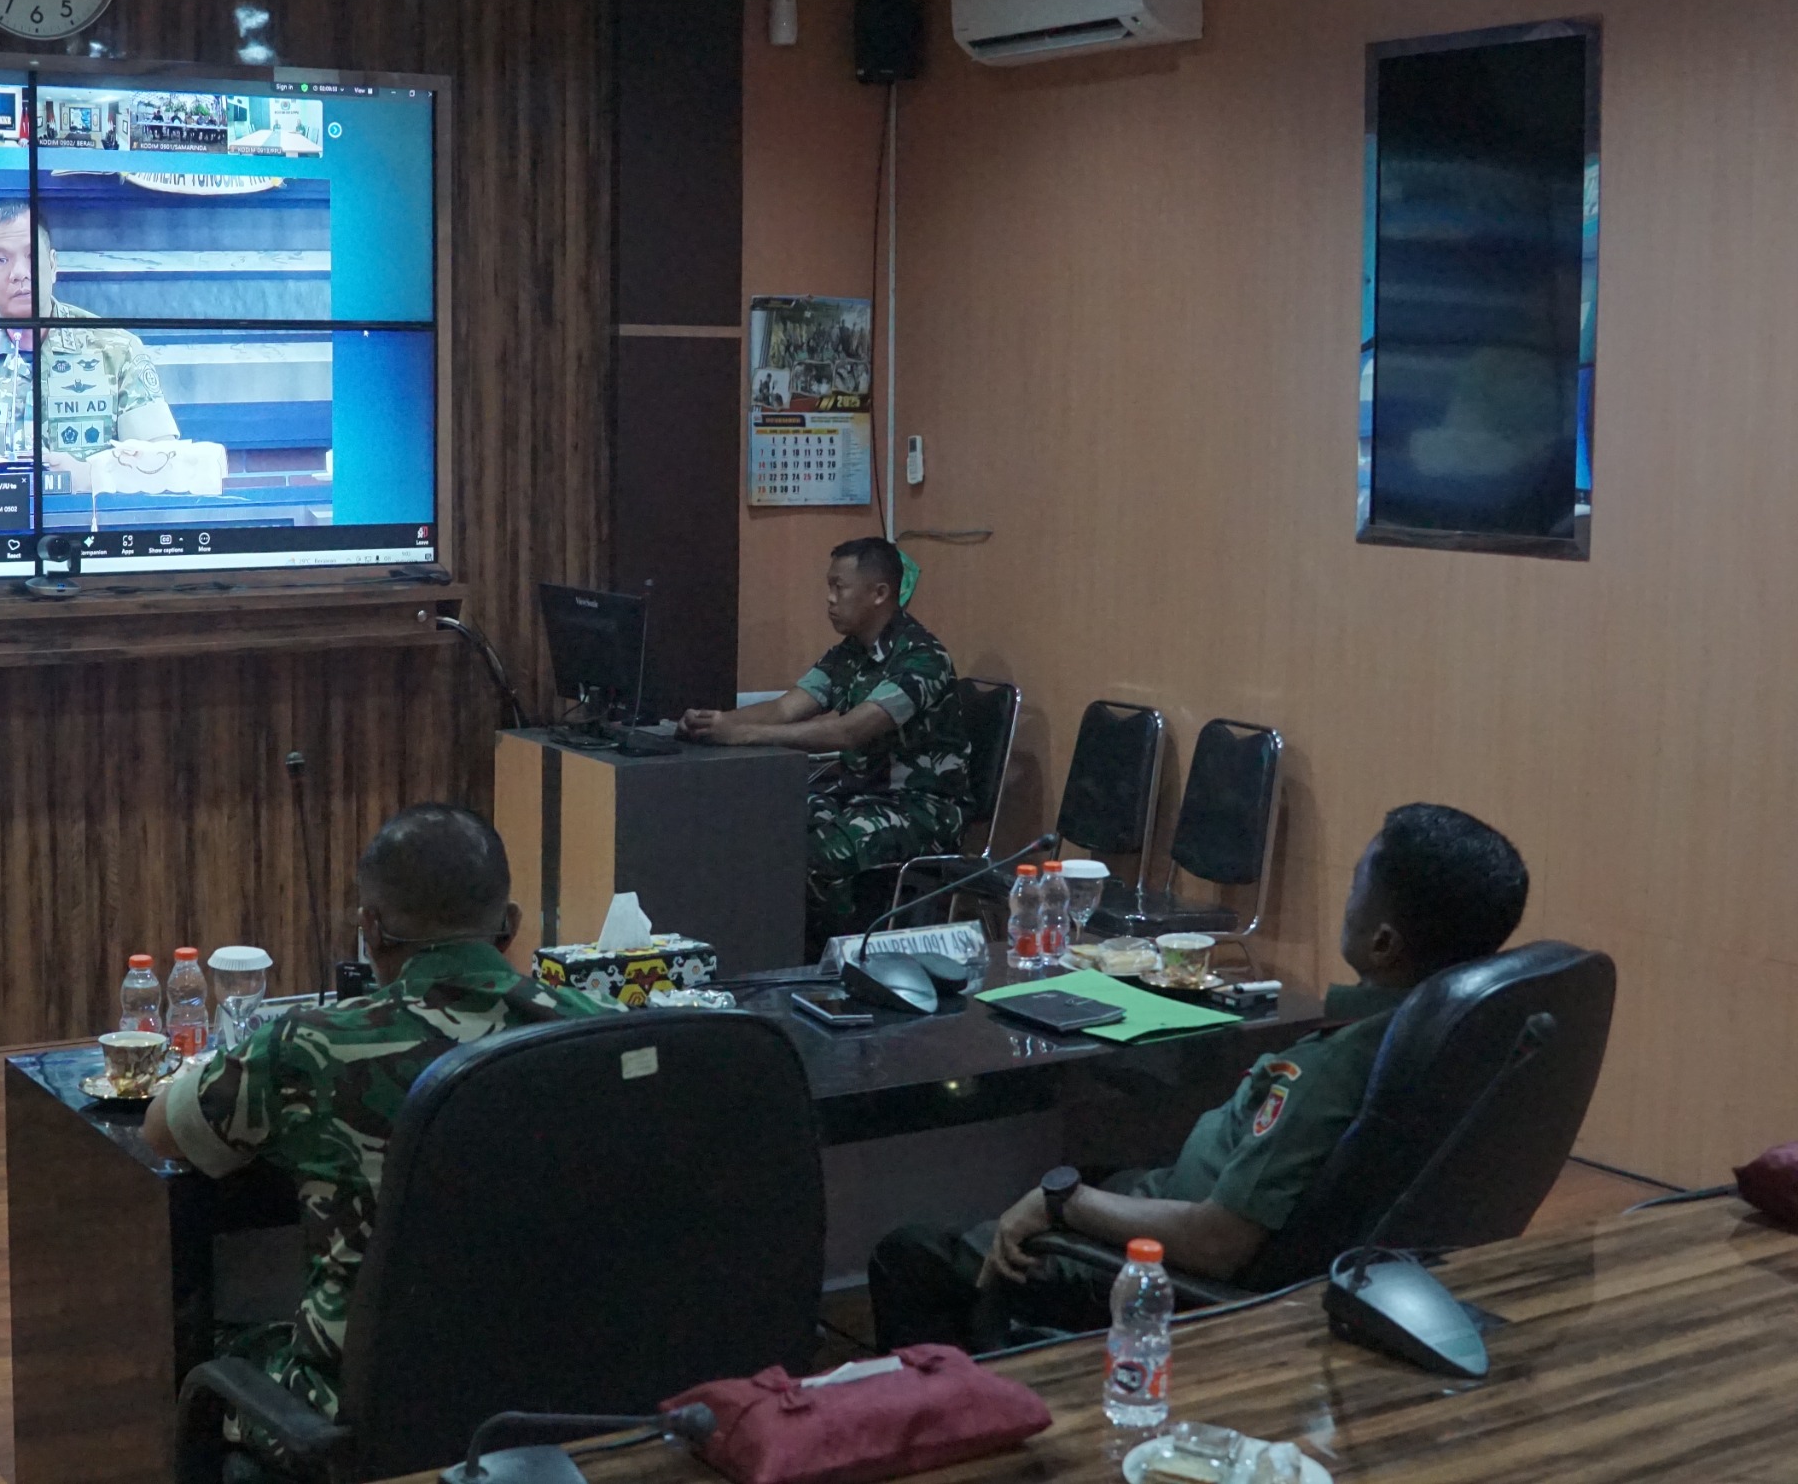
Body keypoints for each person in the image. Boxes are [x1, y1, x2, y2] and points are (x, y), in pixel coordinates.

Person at [866, 802, 1531, 1353]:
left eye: (1358, 884)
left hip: (1170, 1272)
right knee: (1100, 1162)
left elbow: (1219, 1243)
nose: (1346, 899)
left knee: (912, 1256)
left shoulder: (1334, 1067)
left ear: (1384, 943)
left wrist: (1057, 1204)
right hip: (1188, 1212)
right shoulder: (1453, 1040)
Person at [142, 804, 613, 1433]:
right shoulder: (601, 1031)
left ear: (371, 928)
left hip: (366, 1414)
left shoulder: (310, 1045)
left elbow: (163, 1131)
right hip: (567, 1401)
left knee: (212, 1338)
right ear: (511, 923)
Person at [679, 536, 970, 950]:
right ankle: (763, 952)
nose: (830, 598)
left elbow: (849, 731)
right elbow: (786, 708)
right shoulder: (848, 653)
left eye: (839, 587)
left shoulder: (922, 658)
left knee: (815, 854)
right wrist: (715, 723)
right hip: (857, 797)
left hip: (920, 809)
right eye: (829, 586)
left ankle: (830, 957)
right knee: (764, 827)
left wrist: (743, 733)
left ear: (879, 593)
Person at [0, 202, 180, 484]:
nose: (19, 273)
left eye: (32, 256)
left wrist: (90, 476)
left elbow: (164, 465)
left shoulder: (119, 350)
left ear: (53, 265)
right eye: (1, 260)